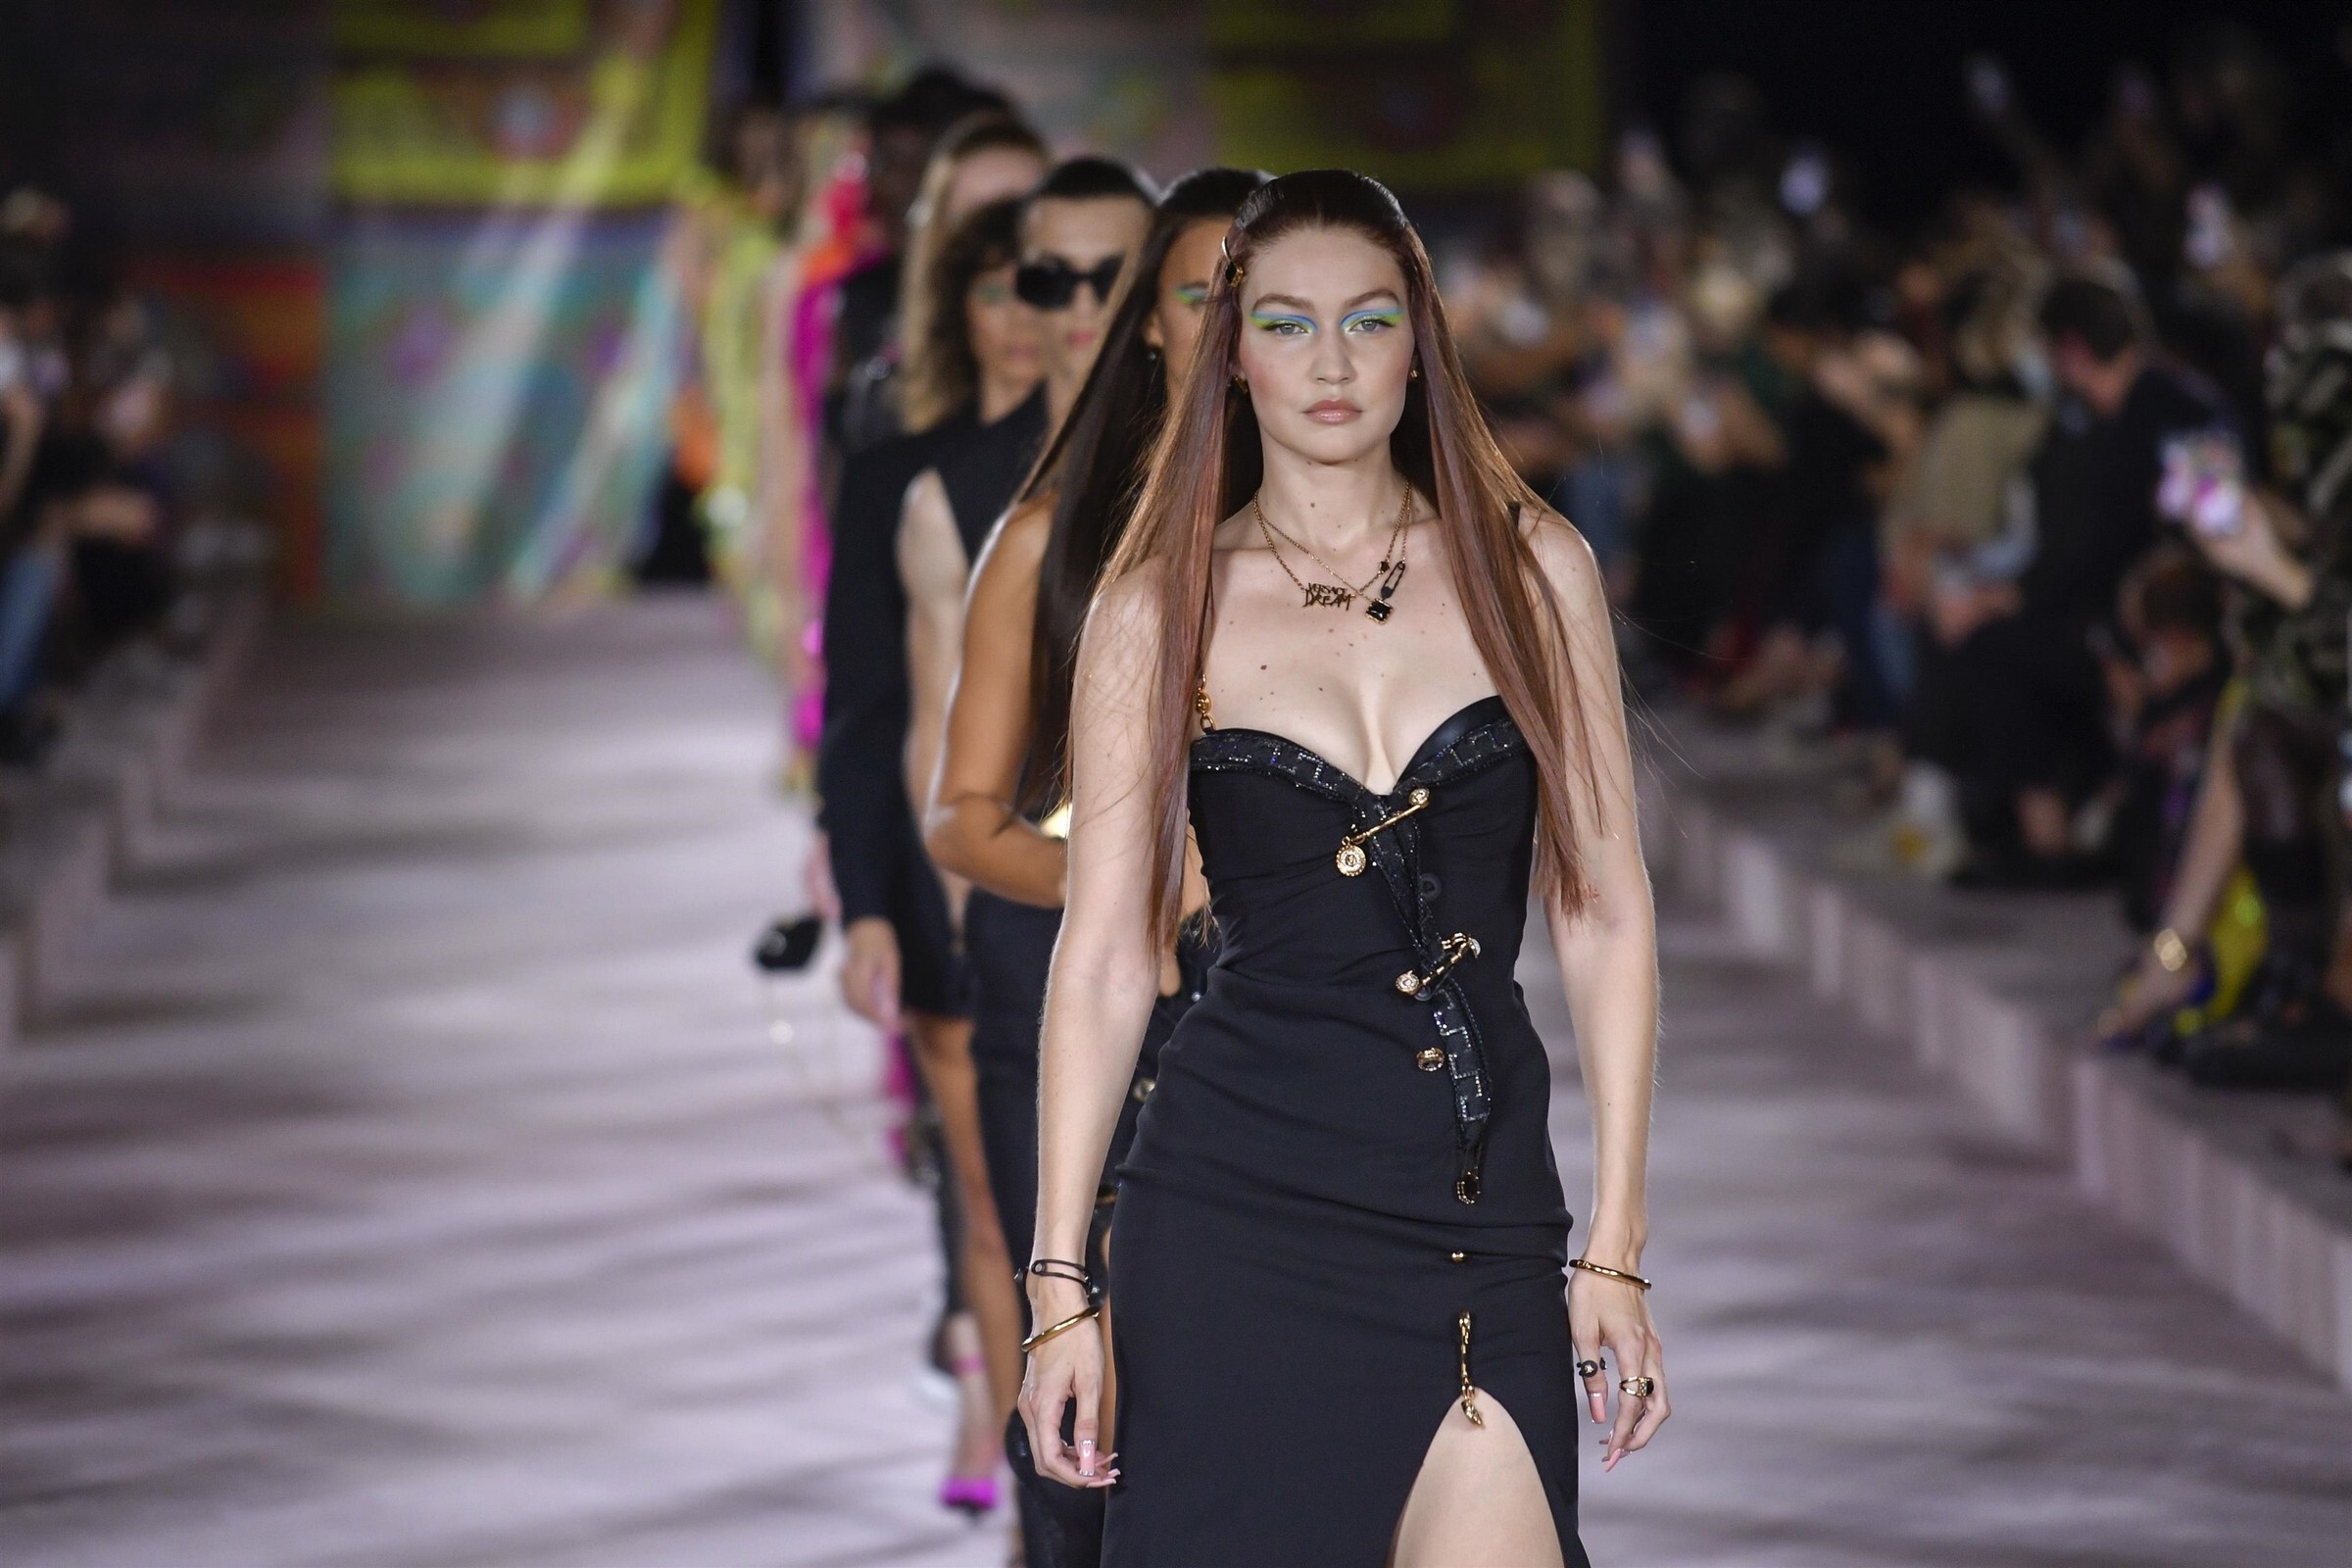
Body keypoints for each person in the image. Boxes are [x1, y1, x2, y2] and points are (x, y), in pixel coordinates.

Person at [1017, 170, 1664, 1566]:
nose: (1330, 362)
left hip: (1481, 1224)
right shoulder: (1157, 608)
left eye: (1368, 322)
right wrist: (1059, 1285)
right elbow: (1109, 957)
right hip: (1231, 1218)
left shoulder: (1533, 570)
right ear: (1230, 353)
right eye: (1287, 323)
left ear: (1419, 343)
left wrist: (1616, 1244)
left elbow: (1605, 910)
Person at [923, 166, 1268, 1567]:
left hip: (1290, 1019)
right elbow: (962, 816)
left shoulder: (1385, 551)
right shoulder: (1047, 536)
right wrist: (1125, 885)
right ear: (1153, 324)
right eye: (1204, 294)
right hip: (1079, 1001)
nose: (1242, 327)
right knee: (1087, 1423)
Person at [811, 124, 1047, 1531]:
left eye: (1050, 286)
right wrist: (865, 906)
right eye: (995, 286)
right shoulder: (895, 470)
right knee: (990, 1201)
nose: (1024, 315)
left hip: (1102, 883)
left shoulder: (1143, 472)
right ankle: (1034, 1507)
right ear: (956, 305)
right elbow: (861, 708)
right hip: (949, 885)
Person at [1910, 271, 2222, 883]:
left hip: (2162, 624)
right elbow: (2073, 547)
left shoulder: (2177, 415)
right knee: (1971, 634)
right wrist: (2000, 594)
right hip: (2096, 614)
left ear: (2071, 350)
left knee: (1993, 647)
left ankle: (2047, 837)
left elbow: (2190, 544)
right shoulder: (2090, 421)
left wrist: (2014, 600)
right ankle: (2013, 828)